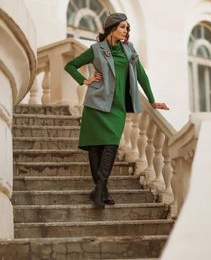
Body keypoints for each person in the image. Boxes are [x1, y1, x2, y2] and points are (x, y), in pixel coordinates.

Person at [64, 12, 169, 209]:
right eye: (122, 26)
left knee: (111, 145)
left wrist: (153, 101)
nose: (126, 31)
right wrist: (84, 80)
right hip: (96, 104)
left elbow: (142, 76)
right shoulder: (96, 49)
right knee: (95, 148)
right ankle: (101, 191)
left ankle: (99, 189)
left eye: (127, 28)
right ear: (112, 28)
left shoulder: (129, 50)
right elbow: (70, 65)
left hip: (117, 107)